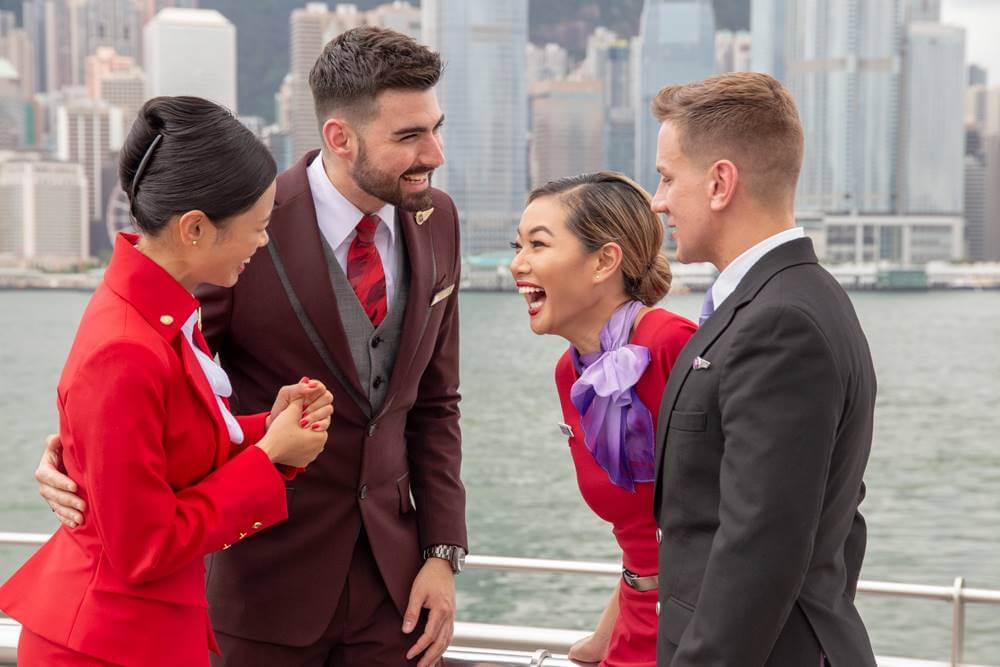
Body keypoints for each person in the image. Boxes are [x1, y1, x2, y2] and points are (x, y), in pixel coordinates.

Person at [37, 26, 466, 667]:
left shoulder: (440, 219)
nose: (433, 152)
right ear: (339, 137)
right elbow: (144, 380)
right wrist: (72, 457)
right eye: (409, 136)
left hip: (394, 590)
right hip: (261, 586)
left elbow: (437, 401)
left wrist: (442, 553)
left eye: (435, 127)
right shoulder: (238, 222)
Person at [0, 96, 333, 666]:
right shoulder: (128, 348)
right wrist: (269, 457)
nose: (263, 242)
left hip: (134, 632)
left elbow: (177, 449)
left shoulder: (158, 314)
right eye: (256, 227)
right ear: (196, 229)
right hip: (105, 645)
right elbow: (144, 546)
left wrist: (267, 431)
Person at [649, 72, 878, 666]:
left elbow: (760, 546)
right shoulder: (797, 297)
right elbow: (841, 520)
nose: (658, 200)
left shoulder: (779, 322)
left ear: (720, 182)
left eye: (668, 178)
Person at [510, 172, 696, 666]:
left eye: (537, 245)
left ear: (604, 261)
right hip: (636, 625)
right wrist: (603, 636)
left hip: (702, 627)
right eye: (517, 246)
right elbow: (643, 535)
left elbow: (733, 515)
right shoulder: (569, 372)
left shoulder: (673, 345)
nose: (517, 264)